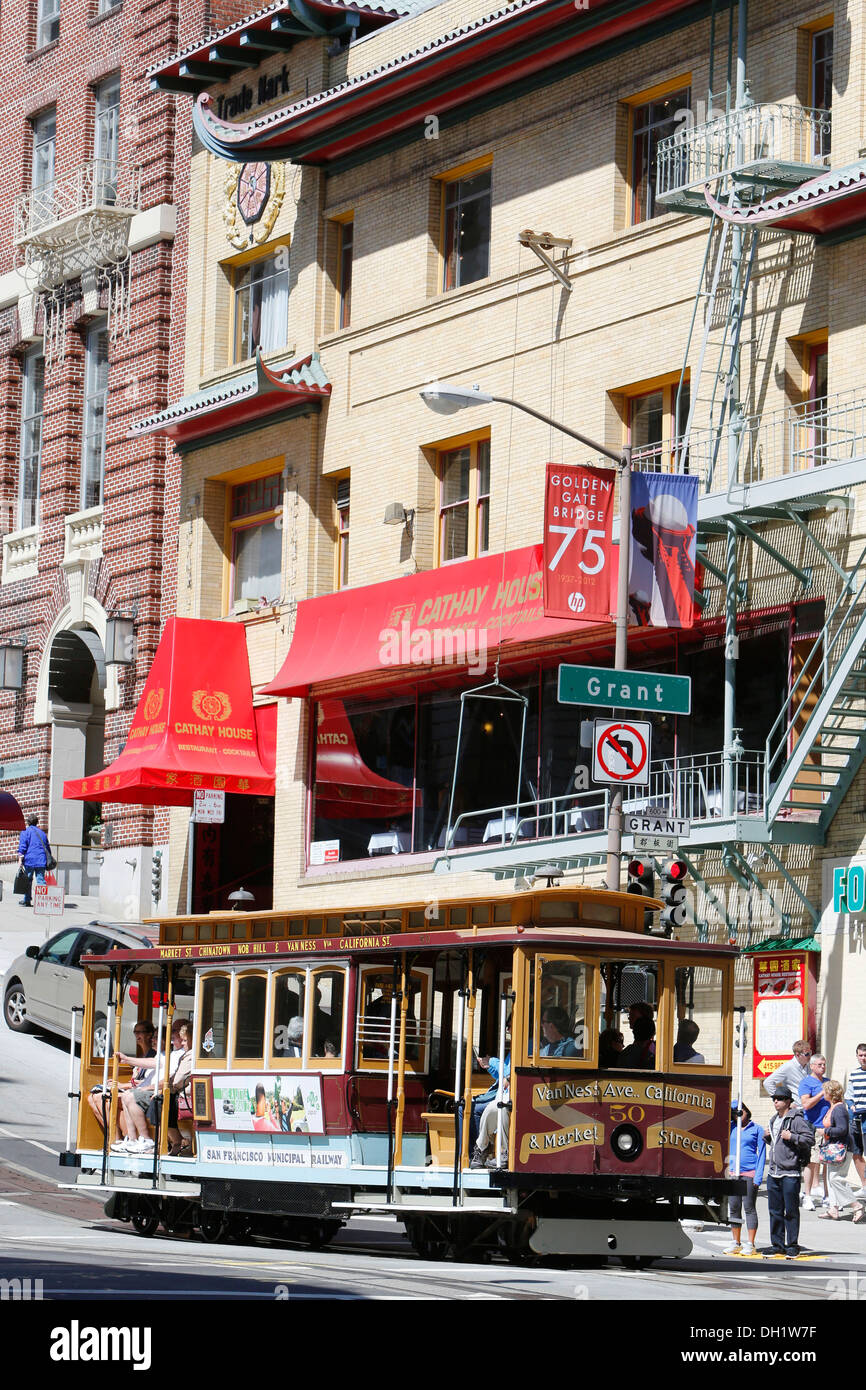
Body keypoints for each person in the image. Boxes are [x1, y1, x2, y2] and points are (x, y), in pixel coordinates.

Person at [763, 1088, 815, 1258]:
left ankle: (792, 1245)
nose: (775, 1102)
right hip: (774, 1172)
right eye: (774, 1099)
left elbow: (809, 1139)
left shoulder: (796, 1119)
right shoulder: (774, 1119)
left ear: (787, 1101)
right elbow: (779, 1145)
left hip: (790, 1172)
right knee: (775, 1211)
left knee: (791, 1211)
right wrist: (768, 1138)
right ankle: (777, 1245)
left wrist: (792, 1136)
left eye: (779, 1099)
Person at [87, 1020, 155, 1142]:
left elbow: (146, 1081)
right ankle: (115, 1137)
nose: (137, 1036)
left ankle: (121, 1138)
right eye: (135, 1032)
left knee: (102, 1099)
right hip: (134, 1089)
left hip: (142, 1091)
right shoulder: (143, 1054)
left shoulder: (154, 1055)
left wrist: (123, 1085)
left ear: (150, 1035)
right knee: (91, 1099)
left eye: (141, 1032)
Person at [818, 1080, 863, 1222]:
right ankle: (833, 1208)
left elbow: (842, 1129)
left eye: (825, 1091)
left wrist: (825, 1131)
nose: (823, 1093)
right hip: (834, 1147)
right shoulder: (833, 1108)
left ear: (831, 1093)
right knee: (831, 1179)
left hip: (841, 1148)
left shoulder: (839, 1109)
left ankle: (856, 1206)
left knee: (836, 1178)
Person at [724, 1104, 765, 1256]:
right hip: (733, 1173)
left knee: (749, 1207)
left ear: (747, 1110)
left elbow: (761, 1154)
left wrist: (758, 1176)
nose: (739, 1114)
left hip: (749, 1173)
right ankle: (736, 1242)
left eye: (740, 1110)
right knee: (734, 1207)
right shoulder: (731, 1128)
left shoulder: (757, 1129)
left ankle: (751, 1243)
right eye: (735, 1112)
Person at [798, 1053, 830, 1210]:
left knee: (827, 1164)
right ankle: (807, 1196)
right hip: (813, 1128)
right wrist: (821, 1094)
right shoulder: (806, 1083)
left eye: (824, 1064)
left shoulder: (828, 1082)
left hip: (828, 1130)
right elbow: (806, 1104)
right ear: (812, 1066)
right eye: (819, 1065)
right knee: (811, 1163)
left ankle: (827, 1196)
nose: (823, 1067)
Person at [470, 1025, 511, 1147]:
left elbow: (508, 1073)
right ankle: (477, 1150)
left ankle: (477, 1151)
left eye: (510, 1025)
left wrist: (492, 1061)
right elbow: (503, 1076)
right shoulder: (515, 1047)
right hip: (502, 1092)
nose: (507, 1029)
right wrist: (489, 1066)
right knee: (465, 1107)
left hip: (507, 1096)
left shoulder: (525, 1045)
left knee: (475, 1110)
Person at [844, 1042, 866, 1193]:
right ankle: (865, 1186)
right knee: (856, 1153)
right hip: (855, 1119)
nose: (863, 1058)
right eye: (861, 1055)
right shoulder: (854, 1073)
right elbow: (848, 1095)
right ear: (857, 1057)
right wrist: (851, 1104)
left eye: (865, 1055)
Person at [16, 814, 51, 907]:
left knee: (28, 880)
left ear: (28, 822)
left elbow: (22, 847)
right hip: (41, 860)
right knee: (41, 880)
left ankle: (27, 900)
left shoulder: (25, 832)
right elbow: (47, 847)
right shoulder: (42, 833)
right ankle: (42, 901)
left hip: (29, 860)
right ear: (37, 822)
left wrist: (20, 860)